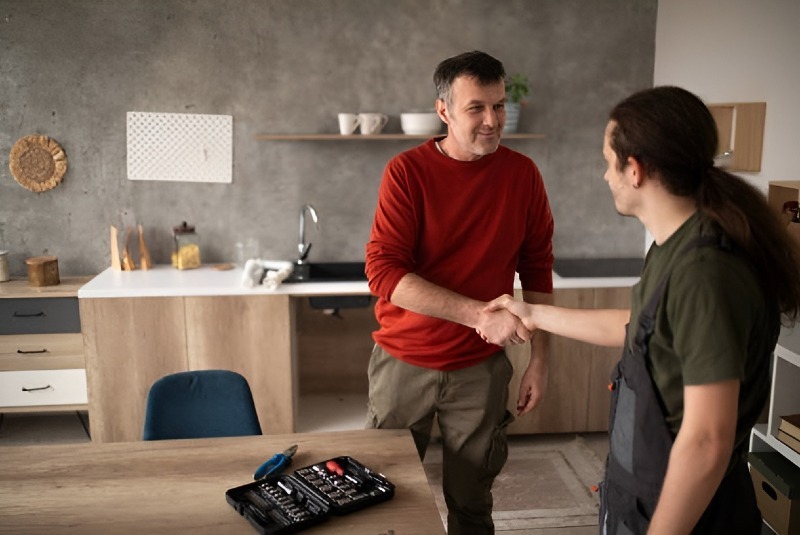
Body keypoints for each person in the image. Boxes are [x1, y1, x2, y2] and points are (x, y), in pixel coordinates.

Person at [484, 86, 800, 534]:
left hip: (690, 513)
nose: (604, 176)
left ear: (634, 170)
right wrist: (532, 313)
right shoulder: (674, 246)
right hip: (643, 493)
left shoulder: (706, 273)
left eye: (607, 162)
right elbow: (641, 325)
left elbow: (707, 440)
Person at [364, 50, 555, 534]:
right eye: (477, 108)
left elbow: (537, 269)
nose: (492, 120)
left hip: (481, 370)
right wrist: (477, 314)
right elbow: (383, 271)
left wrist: (541, 357)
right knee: (383, 496)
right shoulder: (406, 173)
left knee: (472, 501)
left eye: (498, 105)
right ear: (444, 110)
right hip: (404, 362)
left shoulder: (523, 175)